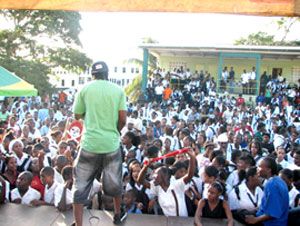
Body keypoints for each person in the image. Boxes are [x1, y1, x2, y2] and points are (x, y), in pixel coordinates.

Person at [72, 61, 127, 226]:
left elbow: (77, 115)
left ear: (92, 75)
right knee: (115, 182)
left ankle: (79, 224)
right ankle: (117, 215)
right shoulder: (118, 90)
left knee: (80, 185)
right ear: (107, 74)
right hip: (111, 144)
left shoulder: (84, 89)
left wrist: (91, 117)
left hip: (89, 143)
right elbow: (123, 119)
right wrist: (114, 130)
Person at [245, 157, 289, 226]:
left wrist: (255, 220)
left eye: (259, 167)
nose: (257, 169)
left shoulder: (272, 184)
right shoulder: (279, 181)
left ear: (268, 170)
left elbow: (273, 213)